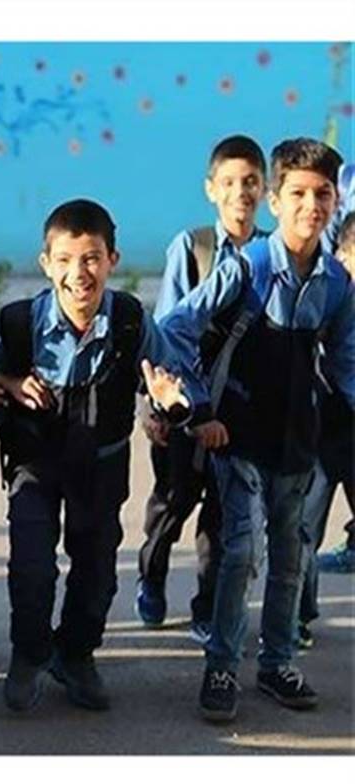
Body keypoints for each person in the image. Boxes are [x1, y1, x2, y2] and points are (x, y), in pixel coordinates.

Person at [160, 138, 352, 723]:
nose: (311, 206)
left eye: (323, 194)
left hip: (297, 439)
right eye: (298, 193)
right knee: (242, 551)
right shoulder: (248, 267)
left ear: (335, 199)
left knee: (292, 556)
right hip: (238, 435)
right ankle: (221, 666)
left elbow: (346, 363)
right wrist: (197, 407)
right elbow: (175, 326)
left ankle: (276, 663)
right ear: (275, 200)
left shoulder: (336, 282)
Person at [0, 199, 202, 714]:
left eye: (91, 258)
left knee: (96, 570)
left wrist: (168, 400)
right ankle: (29, 653)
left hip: (101, 465)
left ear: (112, 259)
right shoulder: (19, 323)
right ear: (46, 264)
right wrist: (4, 382)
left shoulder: (129, 319)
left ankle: (75, 654)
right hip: (35, 466)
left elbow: (171, 376)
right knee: (32, 566)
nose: (78, 274)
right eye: (65, 260)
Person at [136, 134, 271, 643]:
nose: (241, 193)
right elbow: (167, 331)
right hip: (185, 405)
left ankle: (207, 607)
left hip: (238, 409)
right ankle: (151, 579)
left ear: (265, 190)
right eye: (229, 182)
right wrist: (159, 407)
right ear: (211, 189)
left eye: (251, 182)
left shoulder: (271, 253)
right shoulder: (194, 248)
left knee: (221, 515)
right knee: (172, 504)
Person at [296, 211, 355, 645]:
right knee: (303, 529)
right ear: (343, 254)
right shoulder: (323, 292)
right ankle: (295, 616)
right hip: (319, 428)